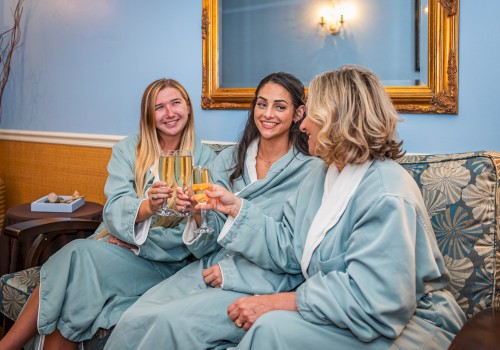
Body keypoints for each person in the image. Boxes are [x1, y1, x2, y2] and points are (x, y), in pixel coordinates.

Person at [210, 65, 467, 349]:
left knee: (271, 329)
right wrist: (236, 208)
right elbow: (289, 247)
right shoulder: (321, 175)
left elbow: (375, 299)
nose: (303, 125)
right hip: (342, 309)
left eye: (311, 116)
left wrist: (278, 302)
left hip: (409, 322)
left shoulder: (387, 195)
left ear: (337, 120)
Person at [104, 72, 323, 349]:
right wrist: (198, 213)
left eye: (280, 107)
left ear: (298, 113)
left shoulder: (311, 171)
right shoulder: (230, 160)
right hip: (208, 266)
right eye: (261, 104)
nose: (268, 114)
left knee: (170, 321)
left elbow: (296, 254)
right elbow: (208, 240)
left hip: (260, 280)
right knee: (137, 315)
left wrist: (233, 272)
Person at [0, 78, 216, 350]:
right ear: (148, 115)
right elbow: (114, 207)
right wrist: (147, 207)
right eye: (159, 107)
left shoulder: (209, 162)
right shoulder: (127, 151)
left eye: (175, 103)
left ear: (188, 107)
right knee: (77, 268)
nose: (169, 113)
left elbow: (202, 234)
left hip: (164, 264)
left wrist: (136, 241)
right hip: (113, 250)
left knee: (77, 255)